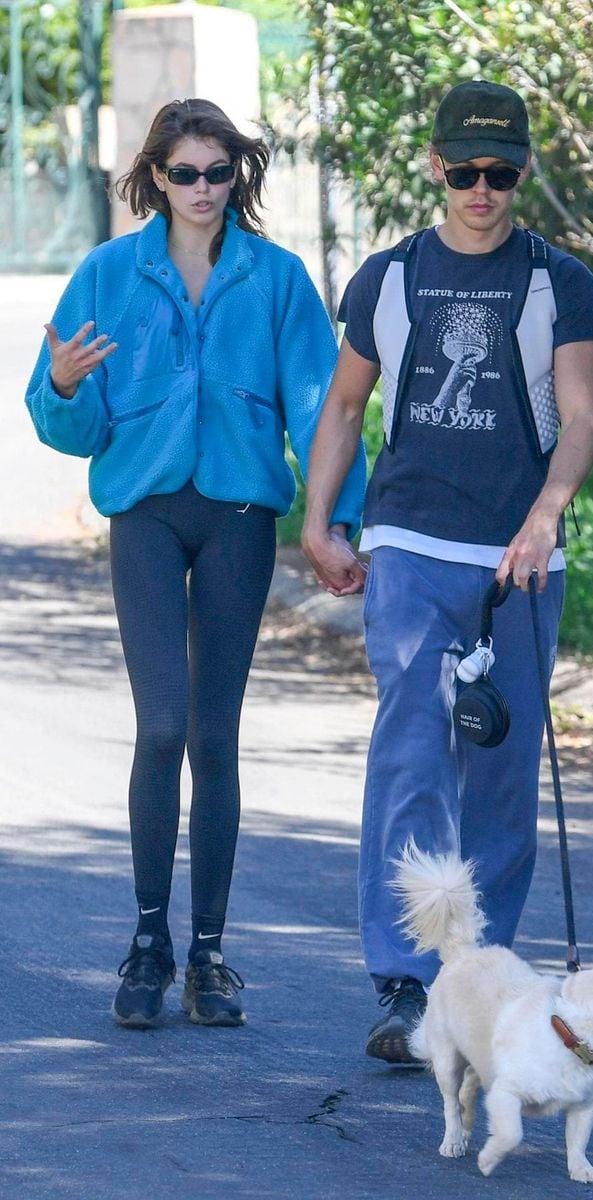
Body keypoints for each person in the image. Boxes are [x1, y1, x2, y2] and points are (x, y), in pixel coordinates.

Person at [26, 98, 365, 1029]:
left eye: (220, 173)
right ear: (157, 179)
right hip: (144, 511)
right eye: (186, 173)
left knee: (215, 736)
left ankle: (210, 957)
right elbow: (67, 417)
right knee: (161, 727)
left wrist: (339, 519)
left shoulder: (278, 278)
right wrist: (60, 386)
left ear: (237, 177)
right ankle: (147, 943)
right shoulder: (108, 272)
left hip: (241, 515)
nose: (204, 189)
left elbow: (321, 409)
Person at [301, 80, 593, 1063]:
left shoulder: (559, 281)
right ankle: (403, 983)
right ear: (437, 165)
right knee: (410, 750)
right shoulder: (388, 278)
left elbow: (583, 414)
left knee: (498, 768)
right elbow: (347, 408)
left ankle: (476, 984)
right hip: (413, 541)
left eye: (501, 172)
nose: (482, 191)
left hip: (517, 560)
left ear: (523, 170)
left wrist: (545, 516)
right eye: (466, 171)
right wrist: (320, 519)